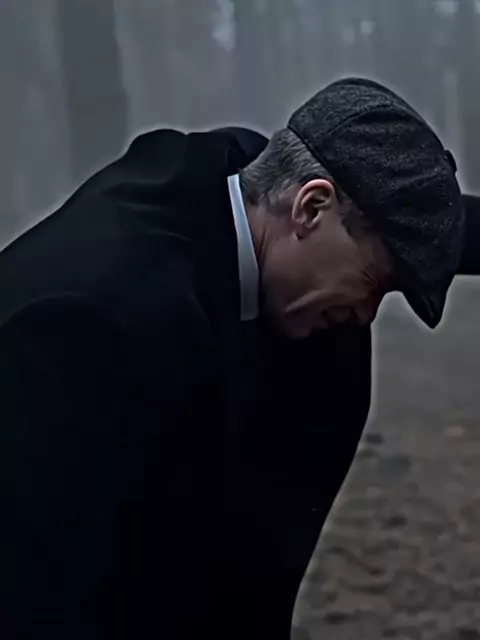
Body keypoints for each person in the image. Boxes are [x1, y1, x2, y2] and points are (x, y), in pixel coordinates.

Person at [0, 76, 476, 639]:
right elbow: (41, 597)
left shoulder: (260, 185)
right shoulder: (91, 328)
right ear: (311, 207)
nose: (366, 314)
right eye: (374, 282)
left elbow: (414, 215)